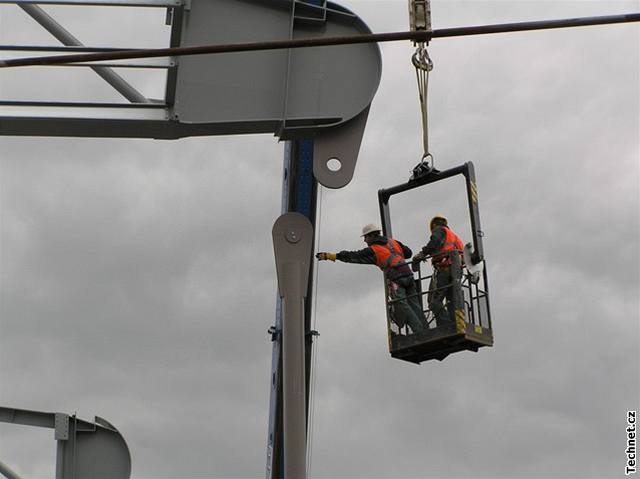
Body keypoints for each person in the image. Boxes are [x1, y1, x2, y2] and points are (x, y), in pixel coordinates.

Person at [316, 224, 428, 335]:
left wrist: (332, 256)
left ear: (372, 236)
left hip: (396, 279)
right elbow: (408, 253)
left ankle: (420, 332)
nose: (365, 240)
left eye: (365, 237)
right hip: (408, 275)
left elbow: (354, 255)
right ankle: (426, 329)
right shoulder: (393, 242)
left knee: (402, 305)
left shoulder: (373, 250)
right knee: (415, 304)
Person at [412, 215, 465, 328]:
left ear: (434, 225)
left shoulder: (439, 230)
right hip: (456, 271)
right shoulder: (454, 237)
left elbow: (434, 242)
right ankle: (456, 324)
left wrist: (422, 254)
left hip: (444, 268)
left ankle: (445, 326)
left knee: (433, 302)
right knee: (451, 300)